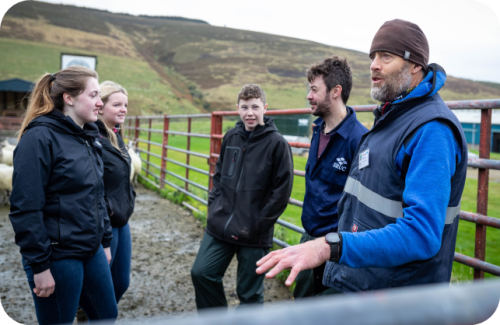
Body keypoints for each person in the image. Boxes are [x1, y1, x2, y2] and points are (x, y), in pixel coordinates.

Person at [256, 19, 468, 293]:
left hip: (397, 295)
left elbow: (421, 235)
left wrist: (329, 246)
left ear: (415, 64)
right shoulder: (392, 118)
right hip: (365, 279)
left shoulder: (432, 130)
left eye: (386, 56)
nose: (373, 65)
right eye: (373, 56)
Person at [9, 66, 118, 324]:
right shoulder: (39, 137)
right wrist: (40, 266)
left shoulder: (90, 137)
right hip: (58, 256)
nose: (100, 103)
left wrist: (104, 240)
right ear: (69, 98)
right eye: (93, 95)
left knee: (107, 315)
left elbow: (97, 194)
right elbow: (26, 207)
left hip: (90, 250)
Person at [191, 84, 294, 309]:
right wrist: (214, 205)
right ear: (237, 108)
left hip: (254, 232)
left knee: (249, 295)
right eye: (245, 107)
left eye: (255, 107)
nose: (250, 113)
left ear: (265, 108)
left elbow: (282, 190)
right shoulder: (231, 137)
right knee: (201, 273)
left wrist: (260, 222)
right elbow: (218, 175)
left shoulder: (277, 144)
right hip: (221, 224)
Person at [293, 56, 367, 298]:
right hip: (309, 238)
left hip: (336, 248)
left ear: (336, 91)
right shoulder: (317, 130)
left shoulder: (360, 141)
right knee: (302, 308)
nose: (308, 95)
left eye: (314, 89)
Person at [96, 81, 136, 303]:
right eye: (117, 104)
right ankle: (87, 314)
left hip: (122, 219)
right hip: (105, 222)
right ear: (100, 106)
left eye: (126, 105)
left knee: (121, 283)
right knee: (100, 285)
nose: (124, 109)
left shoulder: (115, 135)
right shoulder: (93, 139)